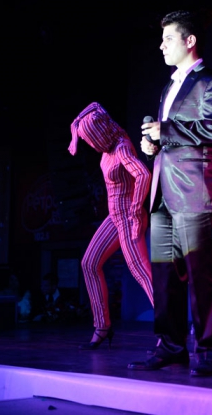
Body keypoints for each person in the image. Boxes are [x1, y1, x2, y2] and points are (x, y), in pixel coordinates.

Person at [128, 10, 212, 376]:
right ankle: (171, 347)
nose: (161, 46)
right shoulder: (167, 87)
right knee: (164, 277)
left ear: (190, 41)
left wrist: (167, 130)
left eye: (168, 39)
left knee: (201, 276)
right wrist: (154, 145)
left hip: (194, 192)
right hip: (163, 194)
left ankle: (210, 351)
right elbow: (173, 138)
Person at [68, 102, 154, 349]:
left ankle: (170, 330)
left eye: (91, 139)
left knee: (141, 272)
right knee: (89, 263)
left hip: (128, 216)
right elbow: (92, 107)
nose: (91, 145)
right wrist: (75, 131)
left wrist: (136, 210)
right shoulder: (107, 149)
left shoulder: (121, 147)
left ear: (101, 132)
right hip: (114, 217)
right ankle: (102, 326)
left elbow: (143, 175)